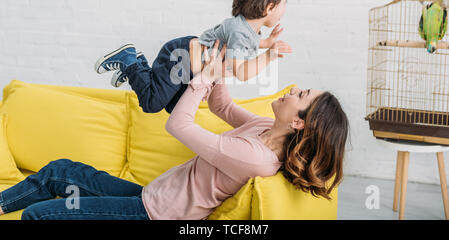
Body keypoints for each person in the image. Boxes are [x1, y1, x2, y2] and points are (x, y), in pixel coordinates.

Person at [0, 41, 349, 220]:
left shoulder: (255, 158)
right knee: (60, 172)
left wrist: (202, 80)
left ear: (299, 122)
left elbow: (178, 125)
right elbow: (221, 107)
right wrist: (221, 66)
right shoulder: (263, 129)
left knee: (38, 216)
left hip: (153, 214)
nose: (292, 90)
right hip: (148, 196)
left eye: (300, 95)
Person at [93, 0, 292, 114]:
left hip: (190, 65)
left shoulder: (246, 29)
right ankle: (130, 62)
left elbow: (247, 46)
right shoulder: (240, 31)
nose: (285, 8)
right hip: (181, 58)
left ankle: (139, 67)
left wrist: (267, 42)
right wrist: (269, 56)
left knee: (175, 109)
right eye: (285, 2)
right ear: (269, 8)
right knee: (151, 104)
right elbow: (242, 73)